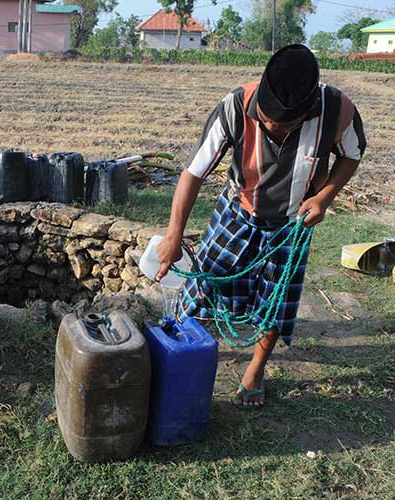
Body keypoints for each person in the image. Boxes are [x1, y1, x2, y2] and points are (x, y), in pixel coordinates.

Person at [155, 44, 366, 407]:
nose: (271, 127)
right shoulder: (235, 108)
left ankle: (255, 372)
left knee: (276, 302)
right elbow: (192, 174)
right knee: (204, 284)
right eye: (267, 120)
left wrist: (323, 198)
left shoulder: (337, 110)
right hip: (238, 210)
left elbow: (351, 156)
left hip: (292, 224)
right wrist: (174, 235)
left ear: (307, 112)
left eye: (283, 125)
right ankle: (182, 350)